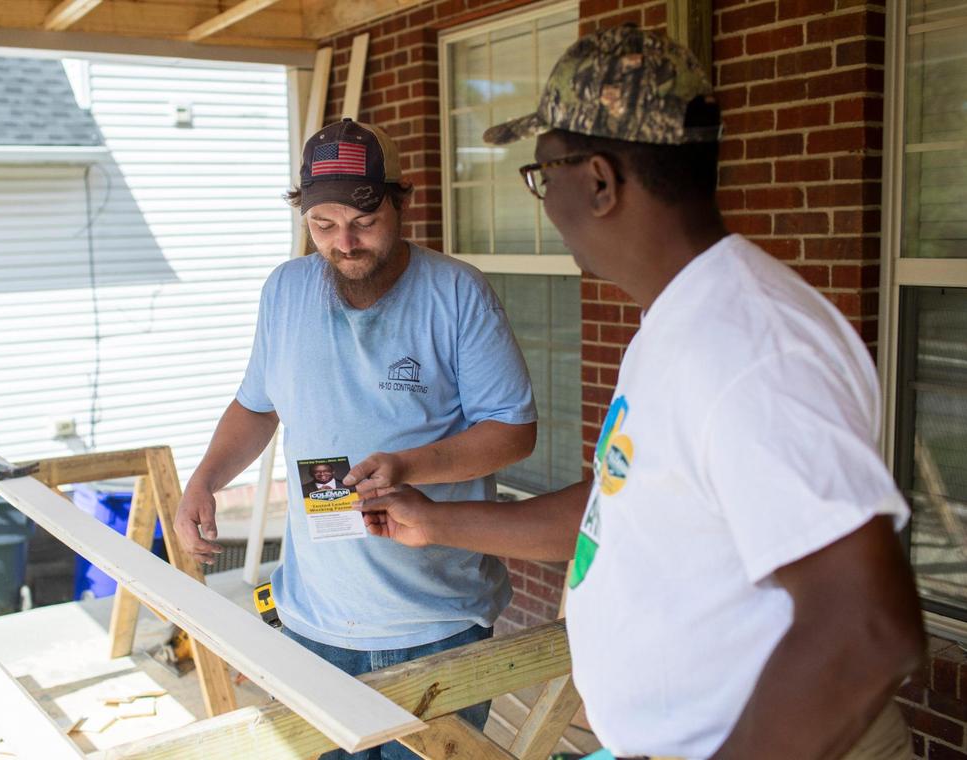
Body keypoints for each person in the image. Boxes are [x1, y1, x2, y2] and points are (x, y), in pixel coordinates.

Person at [357, 24, 925, 760]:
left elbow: (866, 624)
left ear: (598, 181)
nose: (544, 200)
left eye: (542, 174)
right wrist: (434, 522)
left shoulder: (748, 350)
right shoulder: (679, 324)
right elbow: (614, 511)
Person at [174, 117, 538, 759]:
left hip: (434, 622)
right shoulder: (285, 292)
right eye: (323, 226)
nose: (344, 243)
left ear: (403, 200)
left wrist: (407, 466)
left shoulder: (456, 293)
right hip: (312, 618)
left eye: (365, 222)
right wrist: (204, 479)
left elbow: (513, 433)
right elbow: (257, 408)